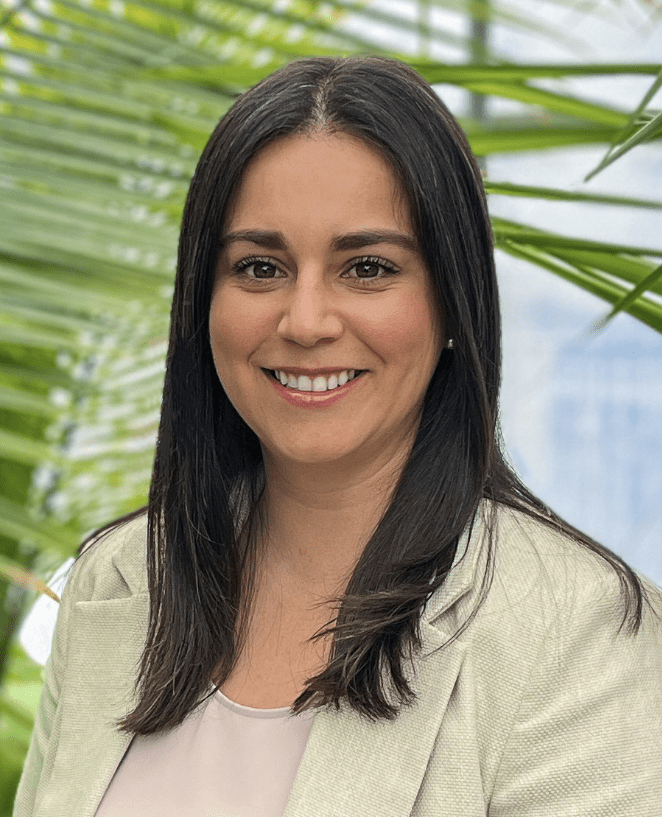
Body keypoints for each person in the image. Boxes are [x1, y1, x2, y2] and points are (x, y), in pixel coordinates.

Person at [13, 55, 662, 817]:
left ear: (453, 301)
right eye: (259, 267)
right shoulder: (114, 583)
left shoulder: (579, 631)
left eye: (366, 267)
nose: (306, 321)